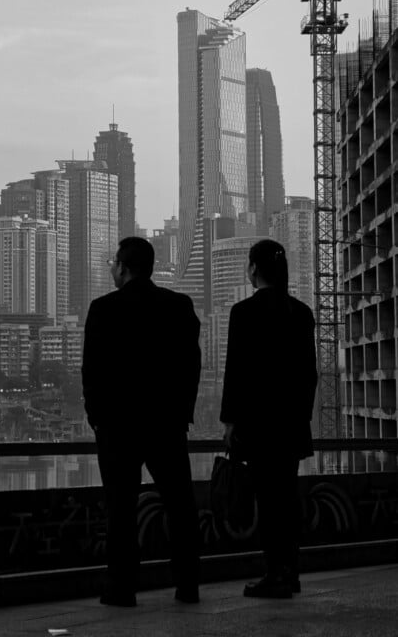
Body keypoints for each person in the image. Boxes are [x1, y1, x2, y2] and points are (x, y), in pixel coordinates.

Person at [82, 236, 202, 607]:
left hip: (117, 427)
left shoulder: (103, 309)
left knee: (120, 509)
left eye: (113, 264)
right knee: (180, 505)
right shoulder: (179, 306)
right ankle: (187, 584)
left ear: (123, 266)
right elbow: (191, 367)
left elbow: (92, 372)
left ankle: (121, 588)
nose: (112, 270)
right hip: (166, 424)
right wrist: (182, 413)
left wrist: (97, 418)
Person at [220, 239, 318, 599]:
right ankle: (289, 572)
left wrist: (231, 422)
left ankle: (275, 573)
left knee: (268, 502)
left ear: (253, 269)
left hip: (258, 428)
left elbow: (237, 373)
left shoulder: (243, 313)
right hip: (291, 427)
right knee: (286, 501)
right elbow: (310, 375)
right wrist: (299, 418)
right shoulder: (301, 312)